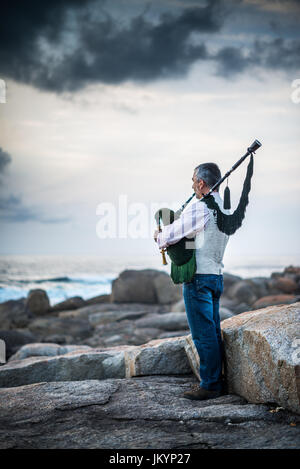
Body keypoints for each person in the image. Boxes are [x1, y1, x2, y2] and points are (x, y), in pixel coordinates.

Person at [154, 162, 231, 400]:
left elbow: (172, 234)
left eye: (193, 180)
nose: (191, 185)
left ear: (201, 183)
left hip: (198, 278)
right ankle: (217, 380)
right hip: (216, 276)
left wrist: (159, 236)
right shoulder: (225, 208)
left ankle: (210, 384)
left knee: (203, 333)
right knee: (212, 331)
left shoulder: (201, 208)